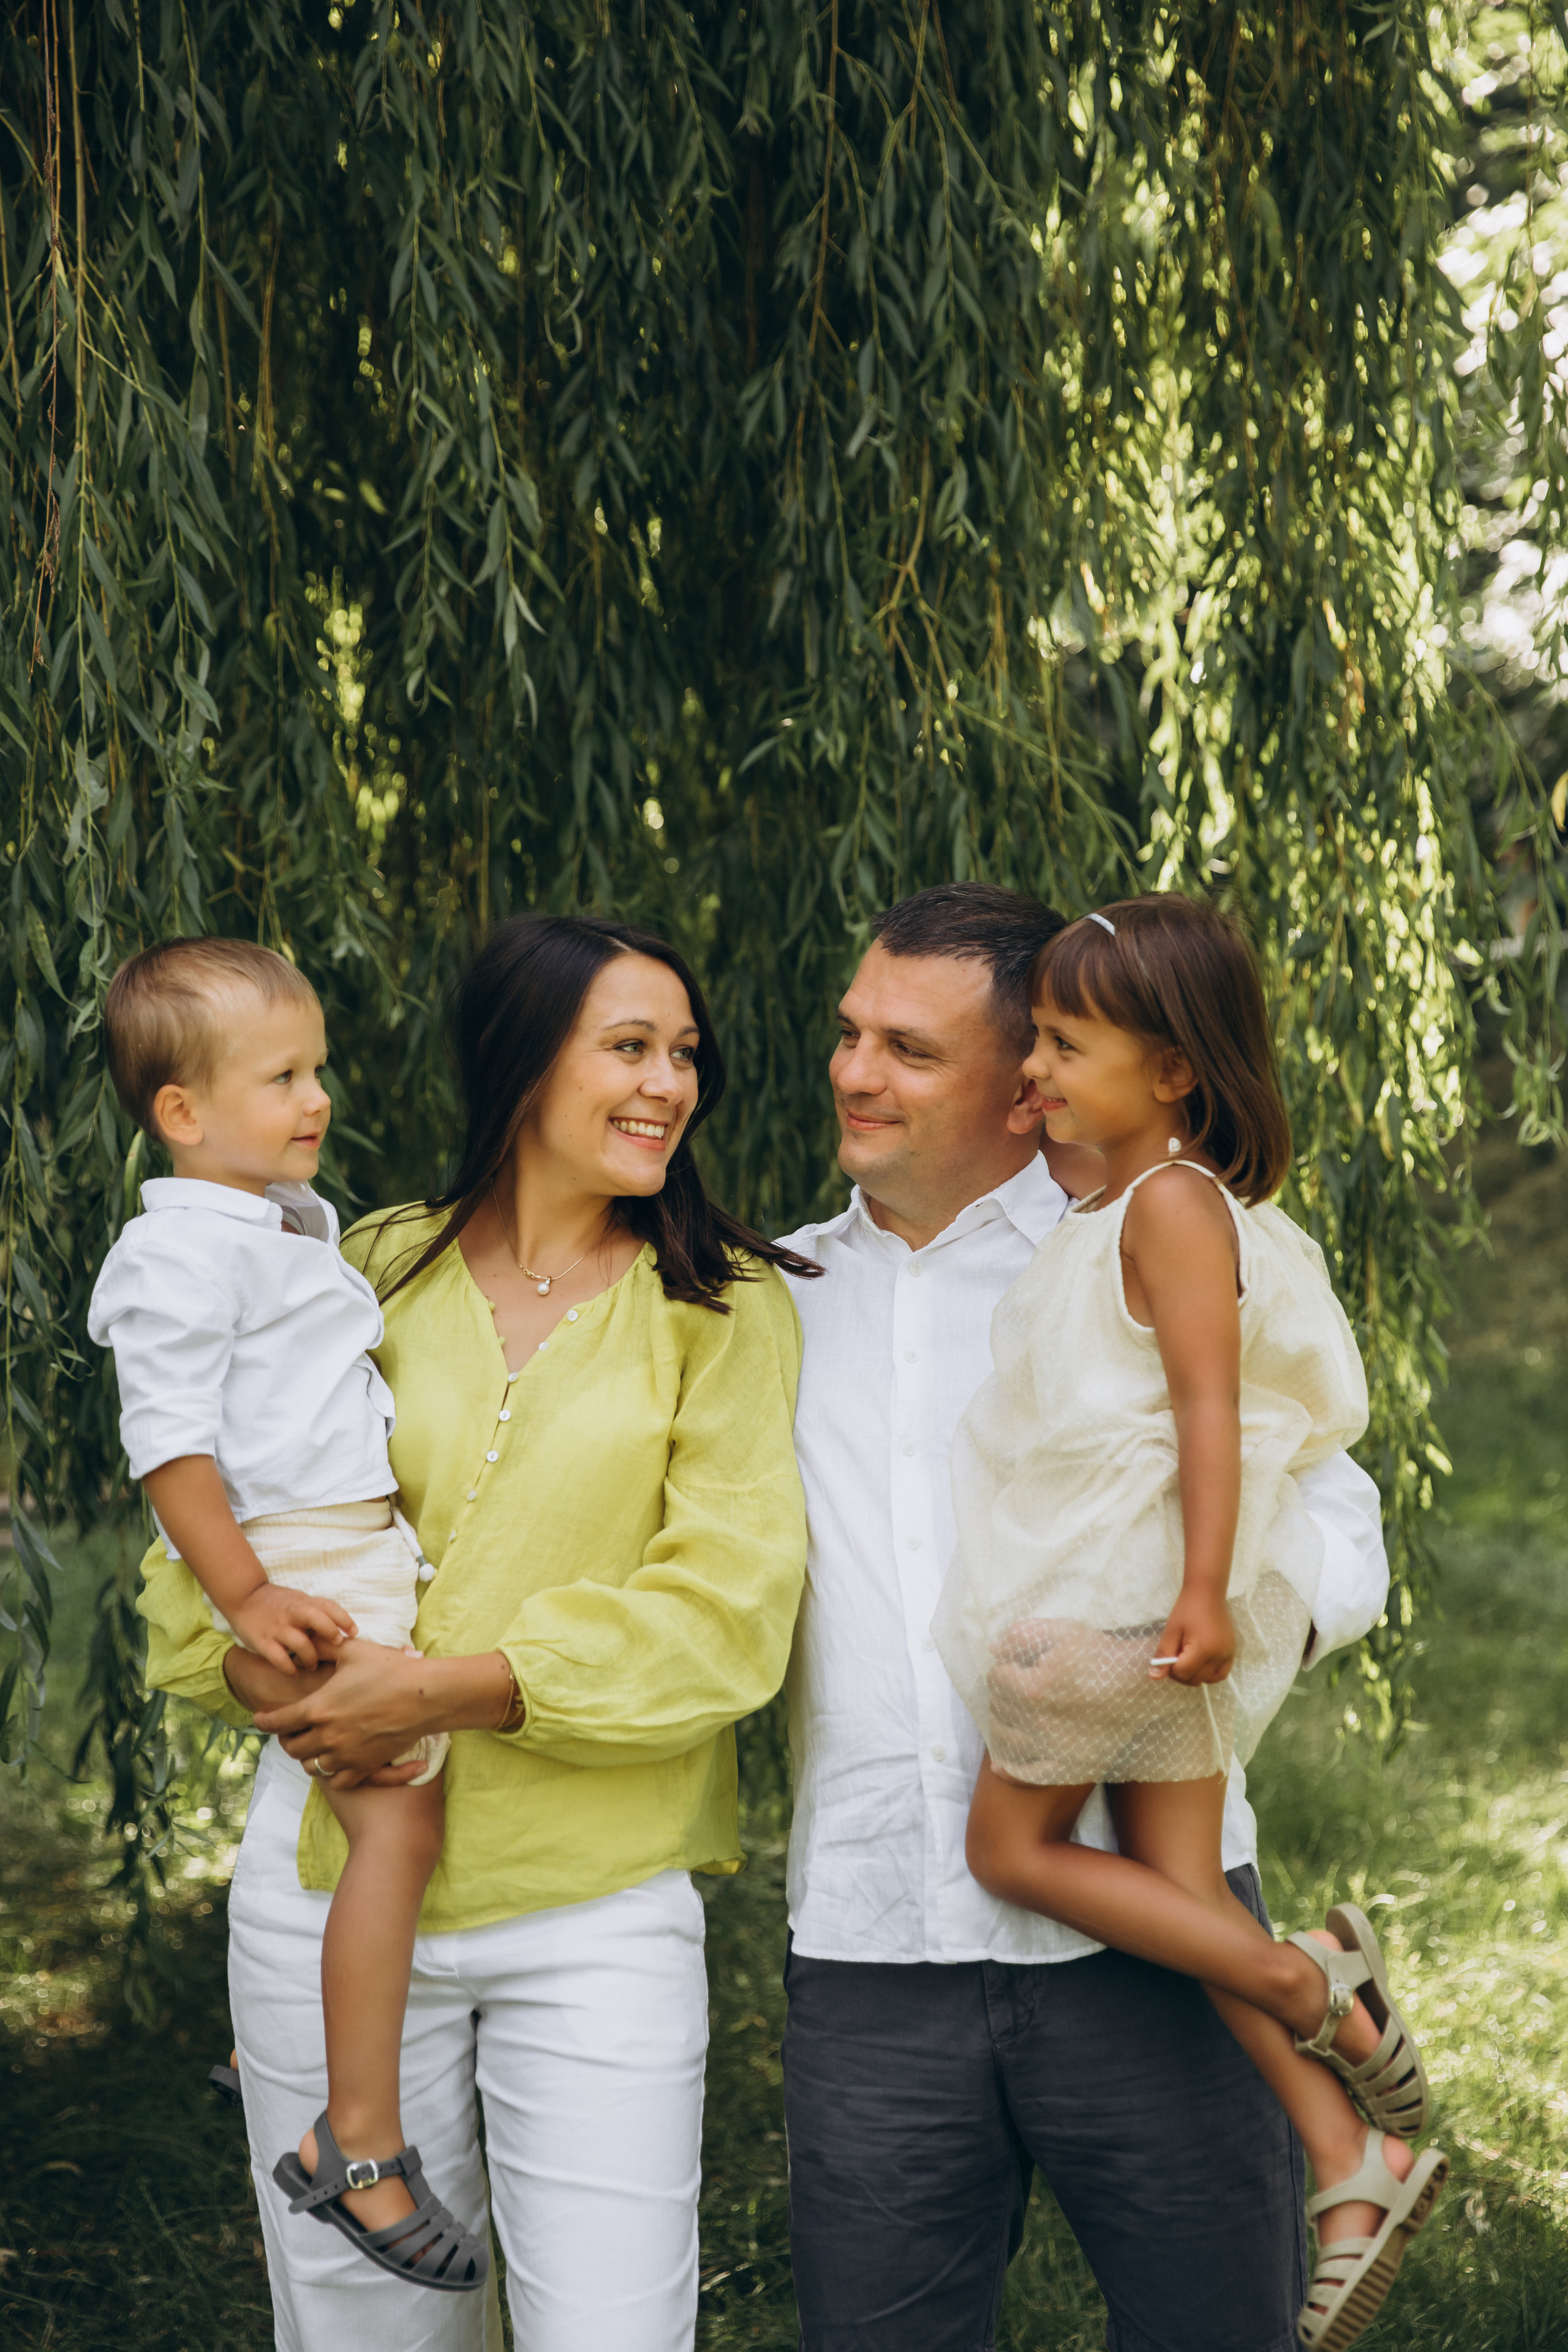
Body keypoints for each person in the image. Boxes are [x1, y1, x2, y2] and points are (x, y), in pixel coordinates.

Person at [133, 912, 815, 2352]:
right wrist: (281, 1675)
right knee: (360, 2333)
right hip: (323, 1885)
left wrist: (442, 1690)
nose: (668, 1083)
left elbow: (726, 1615)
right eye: (627, 1047)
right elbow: (201, 1548)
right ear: (522, 1061)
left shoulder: (720, 1306)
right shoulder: (359, 1263)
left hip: (595, 1908)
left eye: (684, 1053)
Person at [774, 881, 1396, 2352]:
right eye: (851, 1033)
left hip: (1149, 1932)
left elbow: (1332, 1508)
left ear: (1023, 1082)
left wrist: (1158, 1654)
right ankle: (1329, 2017)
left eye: (909, 1050)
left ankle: (1326, 2071)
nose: (854, 1072)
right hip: (873, 1934)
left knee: (1211, 2327)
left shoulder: (1129, 1241)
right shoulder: (768, 1297)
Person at [935, 897, 1447, 2352]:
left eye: (1063, 1044)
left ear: (1172, 1071)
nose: (1031, 1067)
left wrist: (1204, 1592)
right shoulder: (1132, 1195)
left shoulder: (1168, 1204)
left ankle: (1311, 1982)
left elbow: (1206, 1409)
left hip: (1134, 1596)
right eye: (1032, 1038)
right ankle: (1350, 2159)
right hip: (1140, 1586)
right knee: (1184, 1893)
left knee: (1008, 1850)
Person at [89, 937, 486, 2292]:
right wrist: (246, 1594)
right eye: (280, 1079)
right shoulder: (176, 1254)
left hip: (349, 1551)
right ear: (181, 1112)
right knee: (398, 1823)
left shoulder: (279, 1220)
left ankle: (275, 2055)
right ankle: (352, 2137)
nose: (317, 1098)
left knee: (374, 1810)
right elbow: (169, 1444)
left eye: (317, 1069)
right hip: (303, 1557)